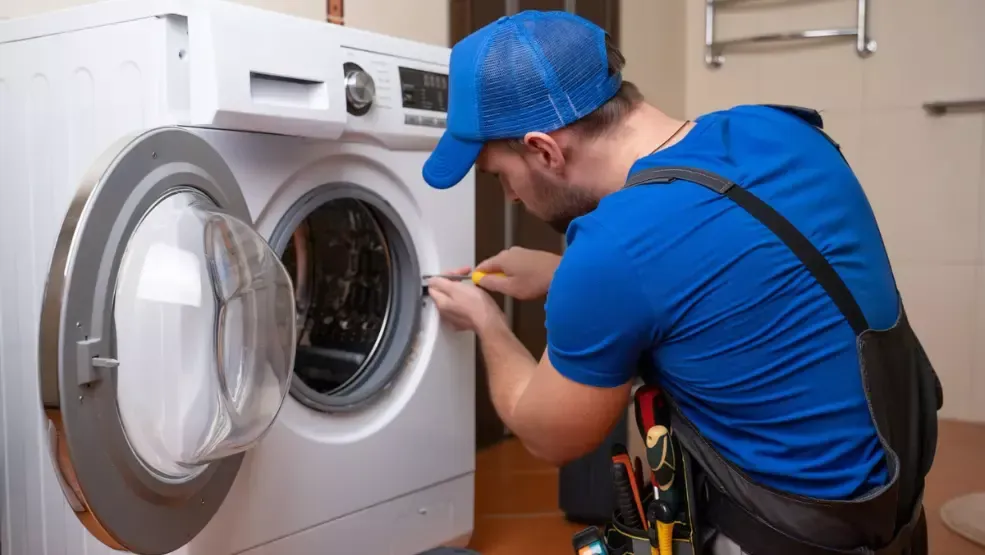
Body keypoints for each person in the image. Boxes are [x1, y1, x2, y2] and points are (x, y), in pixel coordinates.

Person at [422, 10, 941, 555]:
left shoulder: (613, 246)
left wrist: (486, 321)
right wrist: (560, 276)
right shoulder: (780, 129)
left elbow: (548, 434)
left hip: (781, 537)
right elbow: (741, 281)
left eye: (500, 174)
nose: (510, 197)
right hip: (895, 523)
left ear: (545, 150)